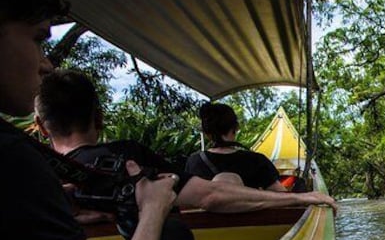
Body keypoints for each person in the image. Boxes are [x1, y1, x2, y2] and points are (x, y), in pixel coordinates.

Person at [0, 0, 177, 240]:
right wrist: (153, 209)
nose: (46, 64)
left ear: (43, 126)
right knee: (174, 234)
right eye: (38, 39)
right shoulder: (12, 158)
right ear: (99, 117)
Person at [35, 70, 338, 215]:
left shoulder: (29, 175)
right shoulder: (124, 159)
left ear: (40, 128)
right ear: (98, 118)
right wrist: (300, 198)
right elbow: (212, 196)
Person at [187, 102, 287, 191]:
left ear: (206, 133)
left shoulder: (194, 162)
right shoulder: (256, 160)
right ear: (236, 127)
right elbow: (280, 193)